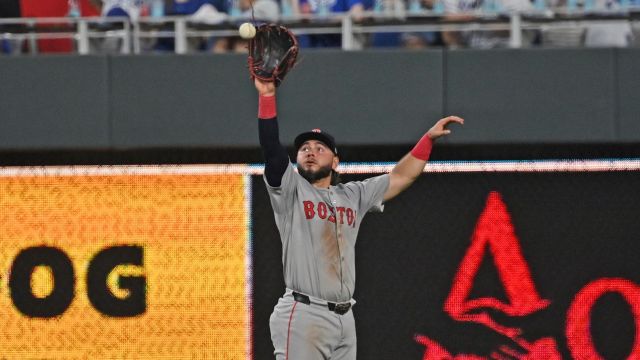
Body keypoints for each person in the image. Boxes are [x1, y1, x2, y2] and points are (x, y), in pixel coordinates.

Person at [255, 77, 463, 360]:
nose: (310, 152)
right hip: (304, 314)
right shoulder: (290, 190)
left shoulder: (353, 194)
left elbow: (401, 176)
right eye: (304, 148)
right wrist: (267, 96)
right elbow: (272, 151)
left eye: (319, 147)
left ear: (336, 161)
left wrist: (427, 140)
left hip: (344, 317)